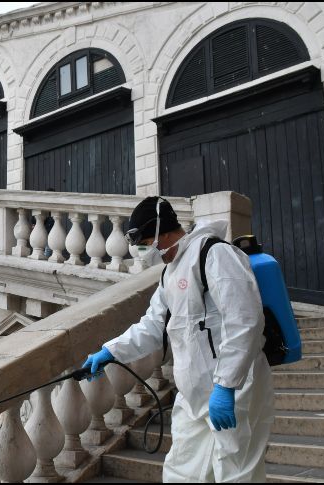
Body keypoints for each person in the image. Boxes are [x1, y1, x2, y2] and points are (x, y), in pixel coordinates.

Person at [83, 196, 273, 483]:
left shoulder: (215, 254)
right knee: (182, 472)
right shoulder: (169, 274)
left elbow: (245, 320)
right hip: (193, 397)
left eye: (148, 244)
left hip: (235, 389)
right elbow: (152, 326)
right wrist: (110, 351)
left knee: (236, 472)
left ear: (164, 231)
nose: (148, 252)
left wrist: (226, 386)